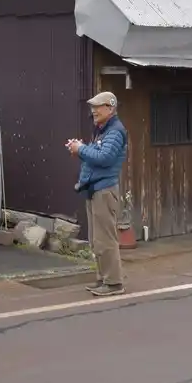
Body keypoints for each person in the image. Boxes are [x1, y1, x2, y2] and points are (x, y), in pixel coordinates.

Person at [69, 92, 128, 298]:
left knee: (105, 239)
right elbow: (96, 156)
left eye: (97, 107)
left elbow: (104, 158)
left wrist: (81, 149)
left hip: (105, 191)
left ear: (110, 108)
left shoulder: (115, 131)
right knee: (96, 239)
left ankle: (114, 282)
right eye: (92, 107)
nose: (93, 111)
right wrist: (81, 149)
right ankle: (103, 278)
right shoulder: (103, 131)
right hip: (96, 190)